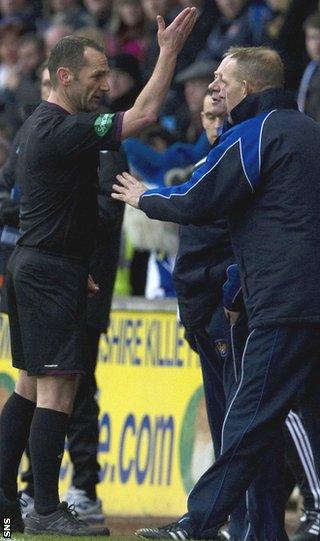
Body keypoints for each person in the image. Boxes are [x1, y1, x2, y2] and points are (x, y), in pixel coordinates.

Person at [0, 7, 197, 536]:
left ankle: (4, 507)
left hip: (38, 264)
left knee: (27, 387)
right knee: (57, 391)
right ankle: (43, 508)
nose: (104, 87)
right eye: (95, 78)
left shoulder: (41, 127)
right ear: (63, 77)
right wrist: (170, 52)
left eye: (108, 76)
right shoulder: (64, 129)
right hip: (48, 272)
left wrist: (76, 265)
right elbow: (147, 113)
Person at [112, 46, 320, 540]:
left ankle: (199, 523)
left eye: (222, 79)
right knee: (289, 414)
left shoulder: (255, 132)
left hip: (282, 304)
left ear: (247, 87)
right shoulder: (310, 132)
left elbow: (199, 197)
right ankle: (258, 530)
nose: (214, 88)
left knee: (248, 420)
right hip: (301, 300)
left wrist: (146, 198)